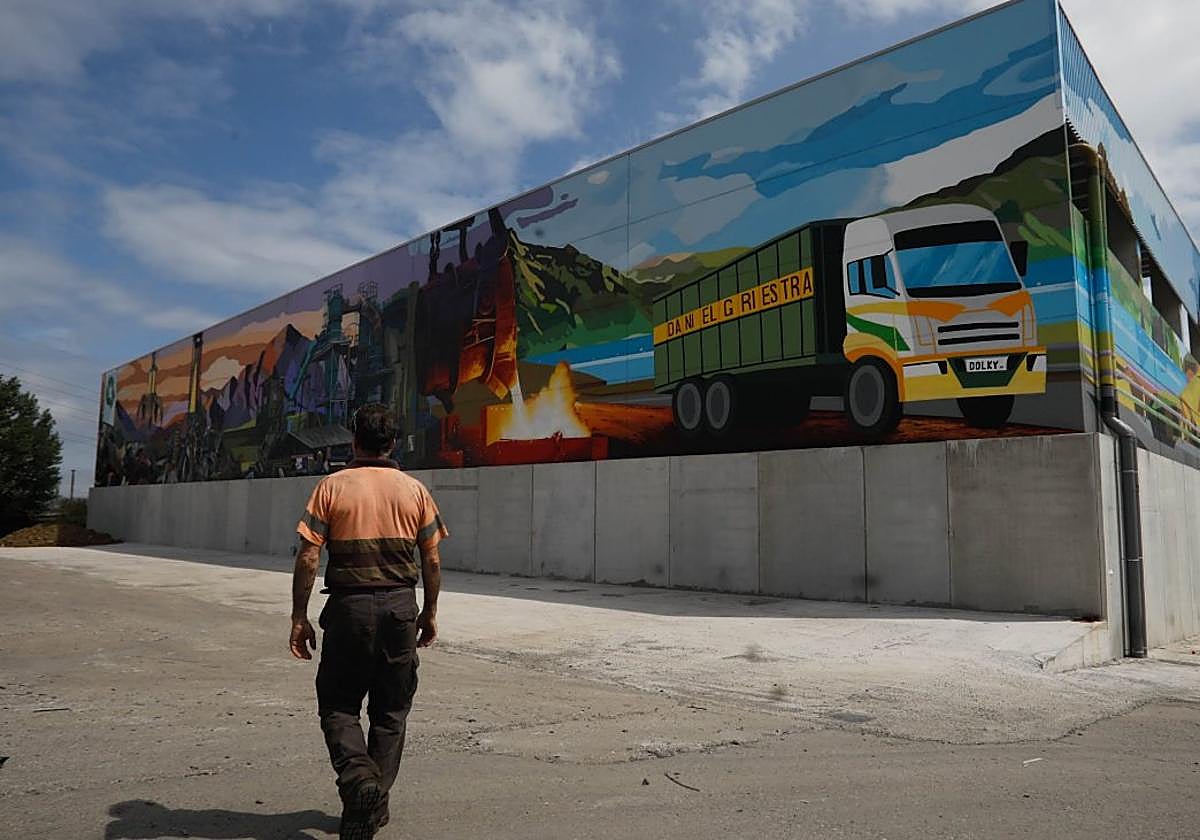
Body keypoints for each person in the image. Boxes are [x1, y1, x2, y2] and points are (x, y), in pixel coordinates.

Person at [289, 403, 448, 840]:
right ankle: (373, 801)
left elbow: (308, 556)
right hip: (400, 609)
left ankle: (360, 781)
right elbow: (432, 559)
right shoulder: (415, 491)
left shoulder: (331, 487)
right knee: (391, 710)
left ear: (354, 440)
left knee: (339, 706)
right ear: (393, 443)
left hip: (349, 609)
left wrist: (299, 616)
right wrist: (430, 611)